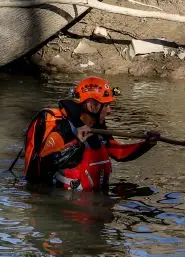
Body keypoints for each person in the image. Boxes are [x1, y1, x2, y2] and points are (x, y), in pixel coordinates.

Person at [22, 76, 160, 191]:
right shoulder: (64, 128)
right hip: (66, 207)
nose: (110, 111)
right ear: (92, 105)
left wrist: (147, 144)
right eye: (106, 106)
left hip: (92, 203)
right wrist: (76, 143)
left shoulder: (98, 128)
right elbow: (46, 164)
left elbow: (119, 153)